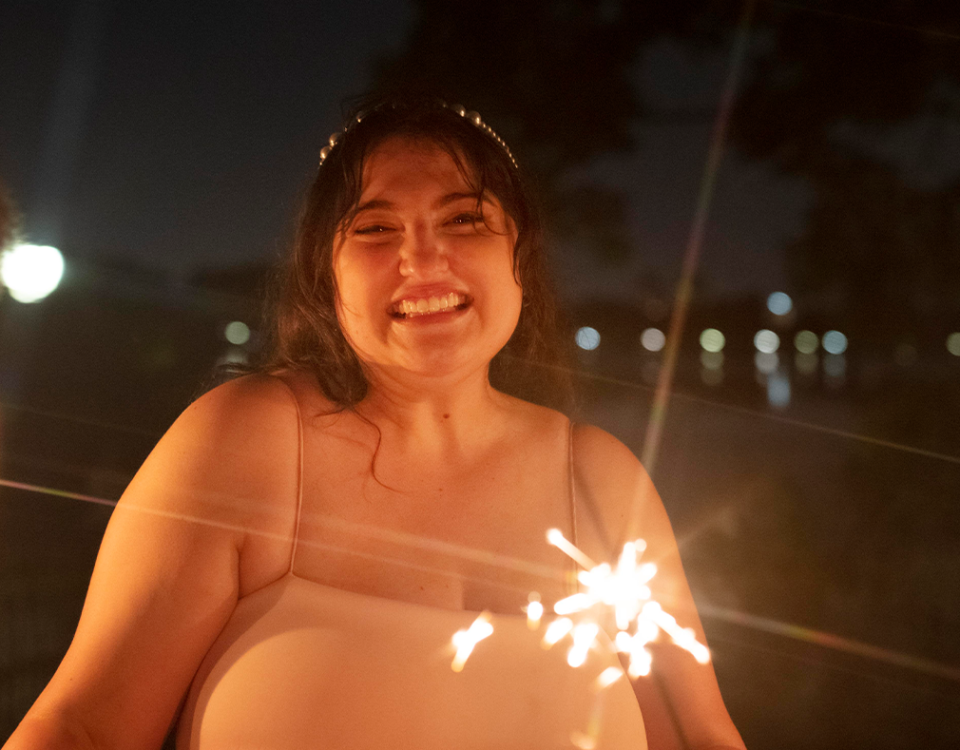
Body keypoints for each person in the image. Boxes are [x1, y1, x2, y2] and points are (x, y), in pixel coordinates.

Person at [5, 97, 746, 750]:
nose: (422, 257)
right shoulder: (248, 442)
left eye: (463, 218)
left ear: (518, 251)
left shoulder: (600, 479)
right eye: (375, 228)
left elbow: (697, 737)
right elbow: (85, 730)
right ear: (325, 276)